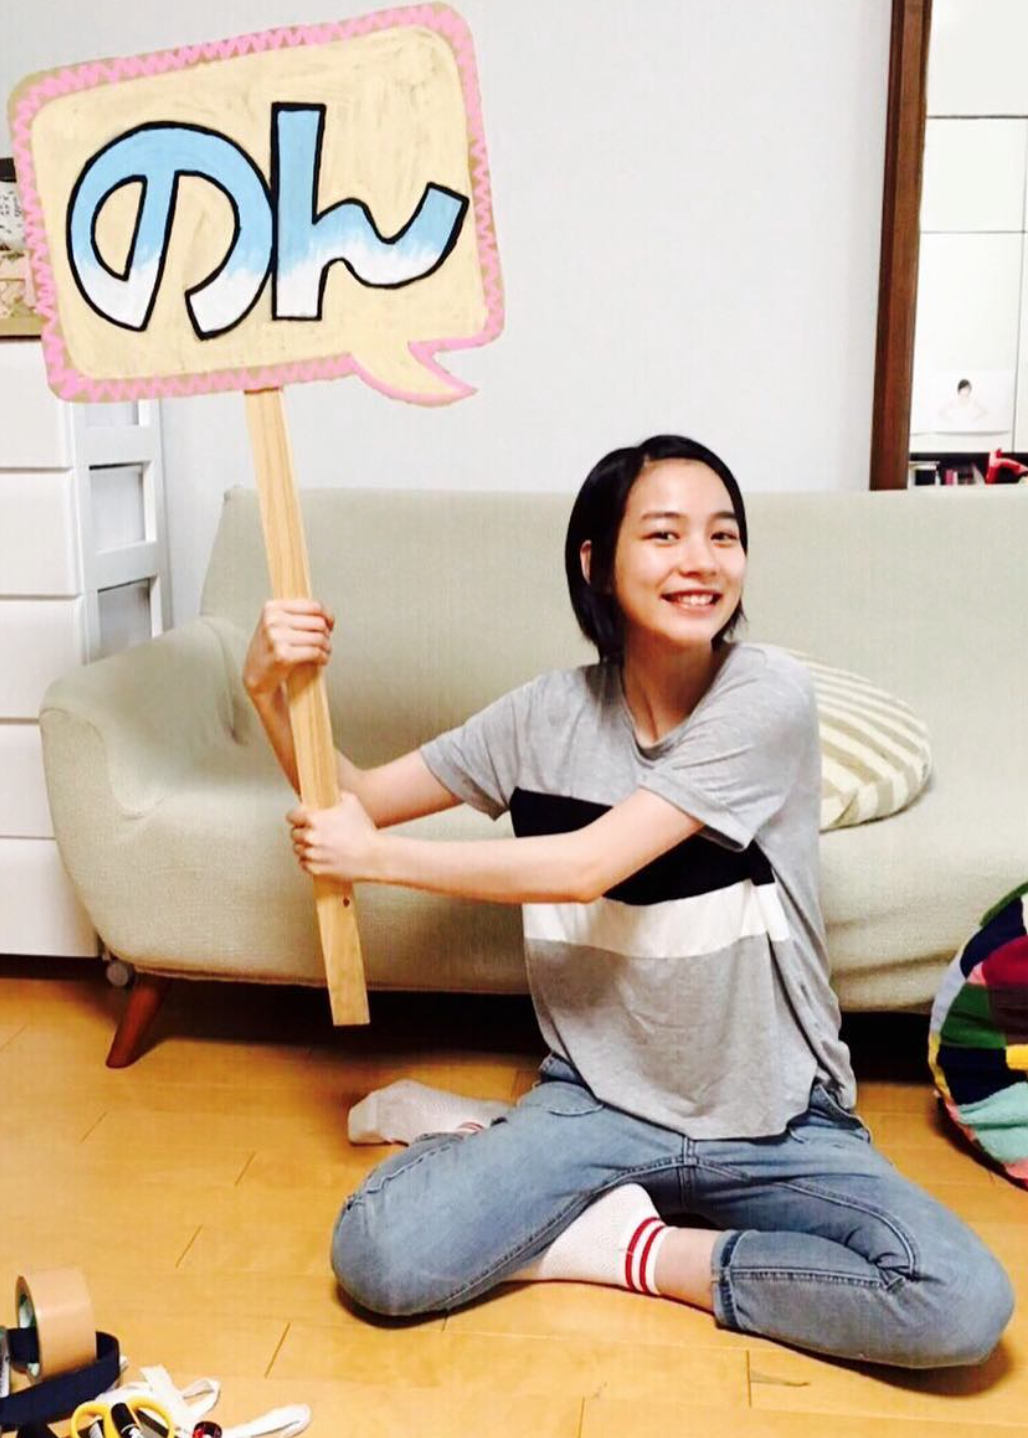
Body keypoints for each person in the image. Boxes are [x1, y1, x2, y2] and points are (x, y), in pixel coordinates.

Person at [240, 435, 1015, 1369]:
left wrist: (377, 861)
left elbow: (588, 865)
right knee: (379, 1257)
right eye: (664, 534)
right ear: (595, 563)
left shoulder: (766, 696)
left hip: (775, 1121)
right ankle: (510, 1150)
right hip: (596, 1102)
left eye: (723, 535)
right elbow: (355, 799)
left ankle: (628, 1250)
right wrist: (269, 692)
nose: (702, 560)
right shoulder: (540, 717)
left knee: (960, 1302)